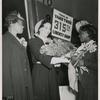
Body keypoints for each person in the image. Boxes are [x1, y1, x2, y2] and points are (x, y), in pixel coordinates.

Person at [29, 15, 69, 100]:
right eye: (46, 28)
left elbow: (54, 61)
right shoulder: (33, 41)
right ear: (39, 28)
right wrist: (64, 59)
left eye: (49, 28)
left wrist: (64, 56)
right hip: (40, 75)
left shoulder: (50, 43)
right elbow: (42, 57)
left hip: (51, 74)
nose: (48, 31)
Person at [3, 11, 33, 100]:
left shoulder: (18, 40)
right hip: (15, 88)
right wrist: (7, 93)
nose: (23, 26)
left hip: (24, 84)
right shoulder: (4, 39)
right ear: (12, 22)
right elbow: (4, 67)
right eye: (21, 23)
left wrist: (24, 48)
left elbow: (23, 62)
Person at [75, 20, 98, 100]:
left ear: (88, 34)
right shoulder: (82, 48)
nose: (79, 36)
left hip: (92, 86)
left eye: (81, 33)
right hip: (82, 84)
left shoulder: (97, 48)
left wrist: (85, 62)